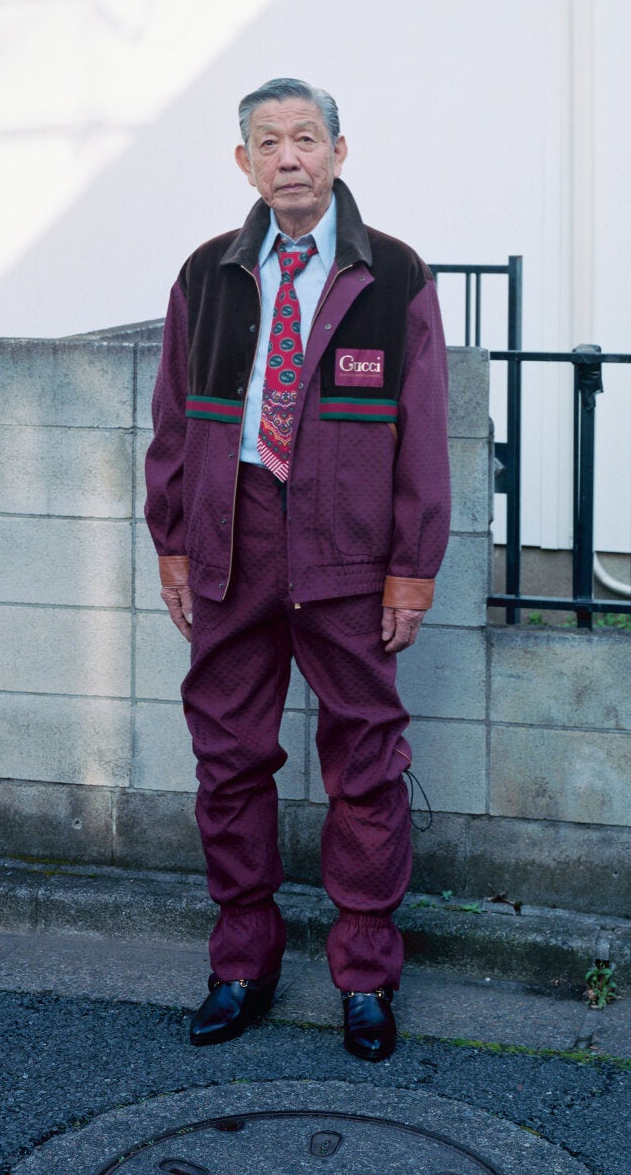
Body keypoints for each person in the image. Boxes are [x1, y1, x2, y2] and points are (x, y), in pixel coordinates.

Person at [144, 78, 451, 1062]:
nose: (289, 157)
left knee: (366, 763)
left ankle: (366, 973)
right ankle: (242, 962)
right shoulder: (207, 275)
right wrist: (173, 540)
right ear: (244, 163)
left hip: (348, 549)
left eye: (306, 138)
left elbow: (424, 432)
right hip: (231, 541)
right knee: (229, 759)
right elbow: (172, 422)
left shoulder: (394, 274)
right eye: (268, 141)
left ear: (338, 151)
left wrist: (412, 565)